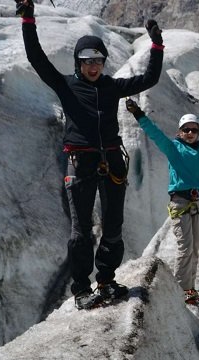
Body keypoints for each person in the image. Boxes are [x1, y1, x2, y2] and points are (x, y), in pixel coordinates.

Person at [18, 0, 165, 310]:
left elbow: (149, 80)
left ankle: (107, 280)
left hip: (112, 161)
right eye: (86, 61)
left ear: (103, 62)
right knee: (81, 231)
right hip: (81, 162)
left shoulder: (111, 87)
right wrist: (28, 20)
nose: (93, 66)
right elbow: (37, 58)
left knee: (113, 227)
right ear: (78, 62)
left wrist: (156, 45)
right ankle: (82, 289)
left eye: (98, 60)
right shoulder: (65, 85)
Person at [125, 100, 199, 304]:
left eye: (194, 130)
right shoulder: (173, 148)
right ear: (180, 131)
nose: (190, 133)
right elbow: (155, 134)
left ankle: (189, 289)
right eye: (186, 129)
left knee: (195, 248)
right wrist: (138, 114)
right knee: (185, 247)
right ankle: (181, 290)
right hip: (180, 204)